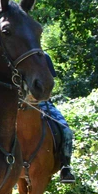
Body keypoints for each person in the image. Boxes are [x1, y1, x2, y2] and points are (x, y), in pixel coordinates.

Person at [35, 54, 76, 183]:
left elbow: (49, 82)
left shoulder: (45, 58)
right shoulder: (15, 55)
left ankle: (65, 167)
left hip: (43, 103)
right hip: (18, 104)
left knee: (67, 131)